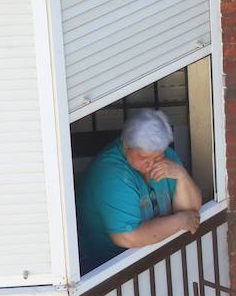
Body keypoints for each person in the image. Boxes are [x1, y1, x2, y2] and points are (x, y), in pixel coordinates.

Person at [76, 109, 203, 270]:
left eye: (157, 157)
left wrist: (181, 175)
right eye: (144, 158)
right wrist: (180, 221)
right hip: (109, 268)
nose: (151, 164)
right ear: (126, 145)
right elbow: (127, 237)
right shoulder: (112, 175)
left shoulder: (167, 157)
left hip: (157, 256)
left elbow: (191, 211)